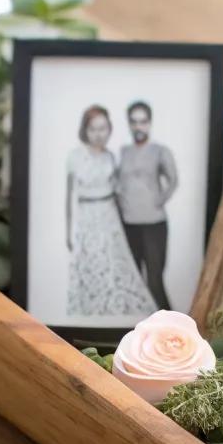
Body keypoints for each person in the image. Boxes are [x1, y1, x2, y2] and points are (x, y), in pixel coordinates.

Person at [65, 105, 154, 319]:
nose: (99, 134)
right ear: (85, 130)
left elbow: (117, 191)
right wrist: (68, 232)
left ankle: (116, 312)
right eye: (93, 129)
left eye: (103, 128)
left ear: (109, 129)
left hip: (110, 217)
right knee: (92, 265)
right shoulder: (75, 157)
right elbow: (68, 198)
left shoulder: (110, 157)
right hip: (87, 218)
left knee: (115, 265)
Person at [117, 100, 178, 311]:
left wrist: (158, 200)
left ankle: (170, 324)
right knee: (133, 281)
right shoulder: (124, 152)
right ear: (129, 124)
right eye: (134, 122)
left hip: (154, 224)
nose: (138, 126)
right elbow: (118, 182)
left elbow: (173, 180)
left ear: (149, 123)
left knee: (154, 281)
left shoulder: (160, 151)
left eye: (142, 121)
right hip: (129, 224)